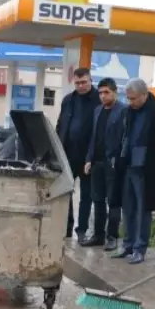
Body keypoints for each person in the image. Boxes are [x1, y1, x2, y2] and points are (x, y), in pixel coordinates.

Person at [116, 78, 155, 264]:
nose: (131, 102)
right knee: (127, 208)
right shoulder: (128, 112)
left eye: (134, 98)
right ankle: (127, 244)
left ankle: (140, 248)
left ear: (145, 95)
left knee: (142, 210)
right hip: (128, 165)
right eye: (128, 98)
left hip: (147, 168)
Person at [55, 67, 99, 240]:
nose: (80, 86)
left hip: (89, 156)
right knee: (65, 191)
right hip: (68, 154)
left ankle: (81, 230)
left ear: (90, 80)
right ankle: (66, 227)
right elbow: (60, 125)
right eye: (77, 83)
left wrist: (92, 155)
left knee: (86, 195)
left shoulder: (98, 100)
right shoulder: (68, 100)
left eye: (84, 82)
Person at [82, 78, 126, 249]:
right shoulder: (97, 110)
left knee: (113, 201)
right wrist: (88, 159)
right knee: (97, 199)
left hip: (113, 163)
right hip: (97, 162)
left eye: (106, 92)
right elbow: (93, 137)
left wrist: (119, 159)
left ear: (115, 92)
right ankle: (98, 235)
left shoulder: (123, 111)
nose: (103, 96)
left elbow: (123, 138)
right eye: (100, 92)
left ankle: (112, 236)